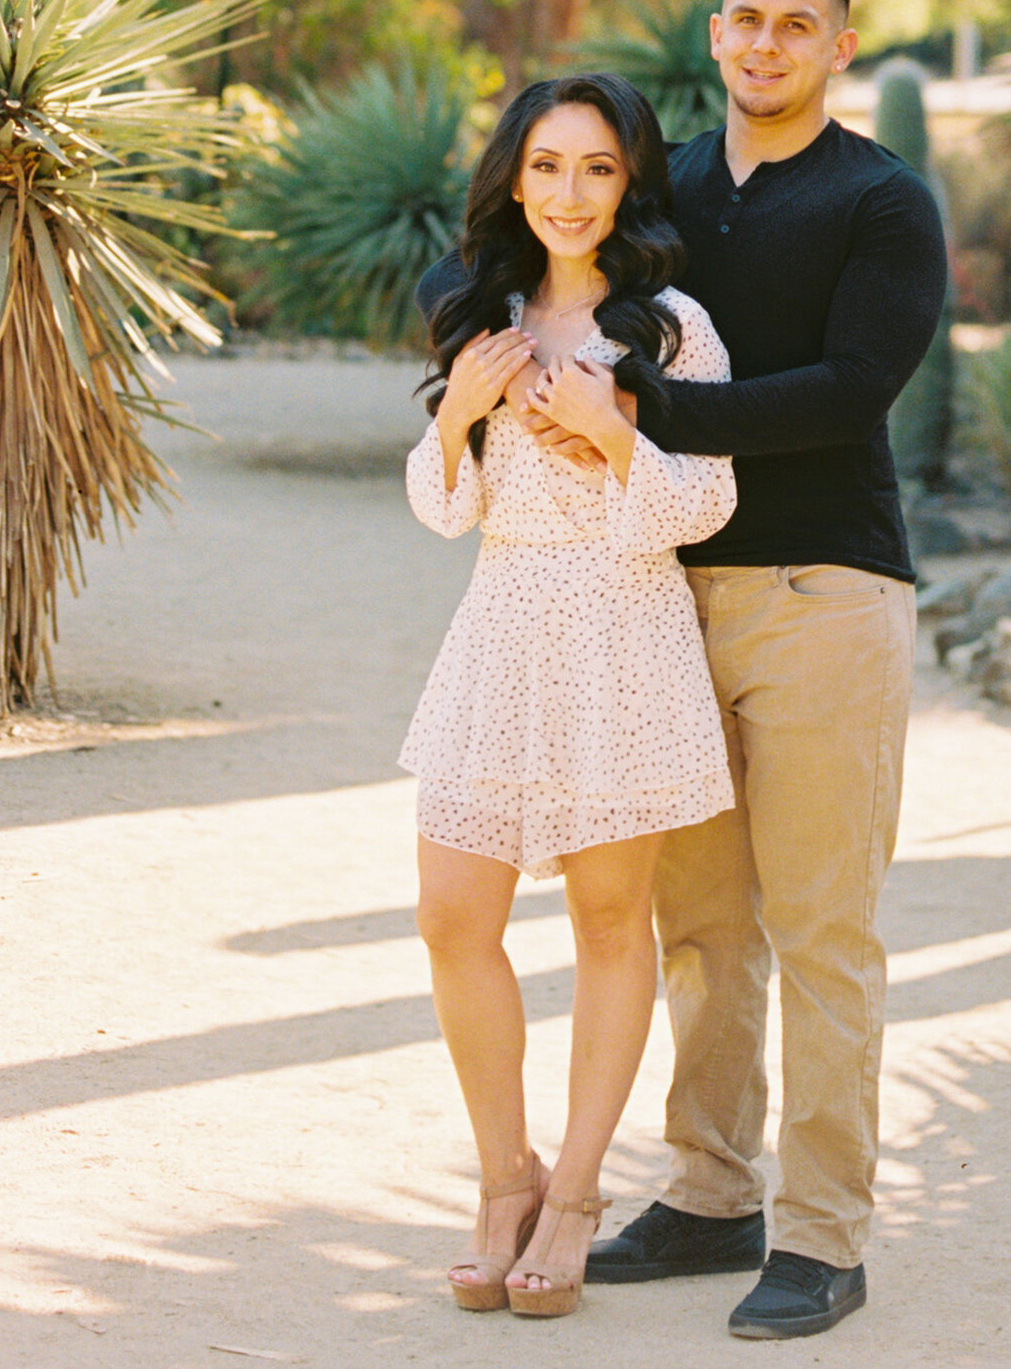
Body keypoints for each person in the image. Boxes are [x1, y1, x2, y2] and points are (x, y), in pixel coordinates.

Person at [572, 0, 948, 1343]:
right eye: (746, 19)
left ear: (838, 47)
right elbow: (523, 258)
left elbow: (852, 390)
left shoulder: (881, 200)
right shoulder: (656, 190)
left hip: (824, 595)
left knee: (821, 928)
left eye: (799, 25)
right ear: (714, 33)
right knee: (704, 925)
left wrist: (649, 419)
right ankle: (709, 1195)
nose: (767, 43)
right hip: (665, 593)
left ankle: (825, 1238)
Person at [402, 70, 739, 1320]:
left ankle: (581, 1188)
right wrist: (465, 416)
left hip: (621, 631)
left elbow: (707, 501)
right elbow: (444, 507)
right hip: (499, 628)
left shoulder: (671, 329)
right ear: (514, 175)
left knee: (611, 922)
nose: (569, 192)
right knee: (451, 915)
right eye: (547, 164)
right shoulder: (476, 312)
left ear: (629, 182)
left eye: (597, 168)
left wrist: (608, 430)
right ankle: (506, 1176)